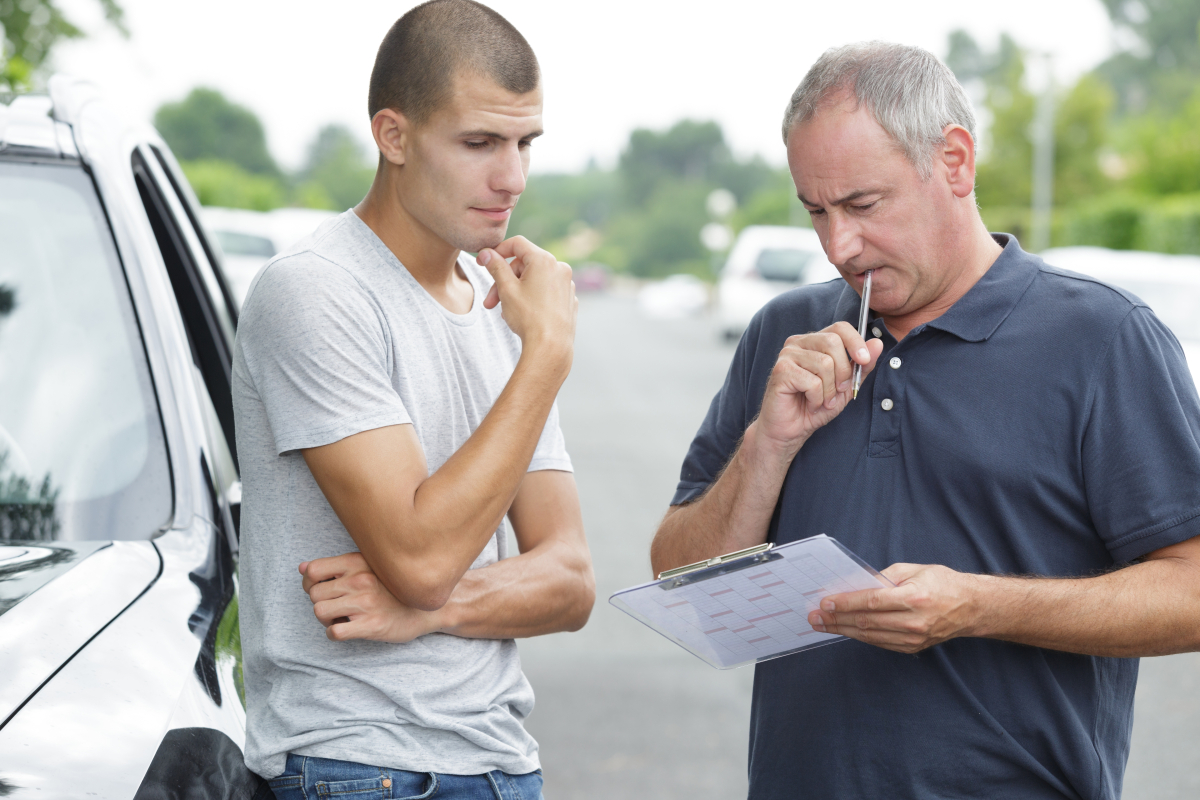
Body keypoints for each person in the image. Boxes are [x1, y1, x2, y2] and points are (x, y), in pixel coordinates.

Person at [651, 41, 1200, 799]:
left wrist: (978, 605)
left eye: (863, 205)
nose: (839, 245)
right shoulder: (787, 334)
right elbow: (684, 589)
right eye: (816, 210)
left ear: (955, 161)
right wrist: (768, 446)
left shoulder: (1105, 339)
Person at [232, 2, 594, 797]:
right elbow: (421, 558)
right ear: (393, 136)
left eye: (525, 142)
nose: (513, 178)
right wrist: (549, 354)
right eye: (479, 143)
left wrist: (432, 611)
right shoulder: (318, 292)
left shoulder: (503, 307)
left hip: (503, 763)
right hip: (360, 767)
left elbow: (569, 581)